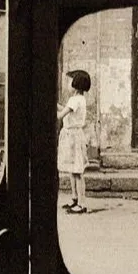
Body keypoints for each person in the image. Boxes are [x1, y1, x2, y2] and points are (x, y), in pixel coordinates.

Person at [57, 69, 91, 214]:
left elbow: (60, 115)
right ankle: (75, 199)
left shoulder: (74, 100)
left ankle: (81, 203)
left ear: (75, 84)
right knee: (74, 170)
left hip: (72, 137)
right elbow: (66, 110)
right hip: (75, 135)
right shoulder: (80, 99)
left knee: (77, 172)